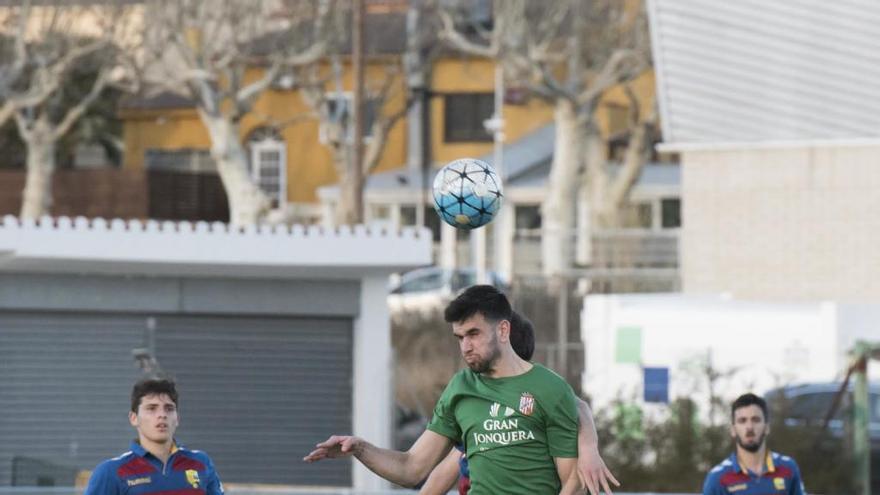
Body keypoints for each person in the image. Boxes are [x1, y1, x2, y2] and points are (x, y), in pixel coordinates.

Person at [305, 285, 591, 494]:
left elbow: (572, 482)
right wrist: (360, 448)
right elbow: (411, 468)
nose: (465, 346)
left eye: (474, 334)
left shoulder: (551, 389)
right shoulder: (460, 389)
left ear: (503, 331)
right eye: (460, 337)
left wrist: (590, 444)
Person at [418, 311, 617, 495]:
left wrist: (589, 447)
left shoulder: (542, 396)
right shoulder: (477, 411)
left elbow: (579, 406)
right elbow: (441, 475)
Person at [83, 377, 224, 495]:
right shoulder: (110, 472)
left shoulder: (201, 462)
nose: (162, 415)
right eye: (151, 408)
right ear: (134, 418)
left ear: (177, 418)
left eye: (169, 409)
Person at [703, 393, 805, 495]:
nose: (749, 427)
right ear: (733, 430)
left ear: (766, 427)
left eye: (756, 420)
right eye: (742, 421)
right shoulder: (717, 478)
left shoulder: (788, 467)